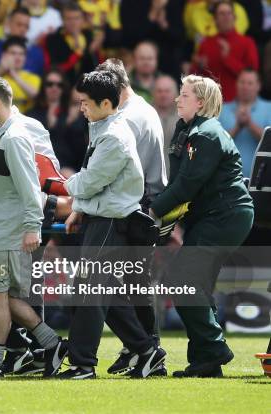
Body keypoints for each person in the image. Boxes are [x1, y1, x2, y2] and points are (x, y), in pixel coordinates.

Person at [61, 71, 165, 380]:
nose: (81, 108)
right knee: (100, 292)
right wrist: (79, 205)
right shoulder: (102, 126)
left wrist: (59, 184)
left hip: (111, 221)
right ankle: (147, 350)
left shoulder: (114, 136)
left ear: (106, 103)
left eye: (85, 103)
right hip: (105, 218)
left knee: (88, 292)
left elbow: (90, 180)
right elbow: (90, 178)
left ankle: (83, 364)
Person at [149, 74, 254, 378]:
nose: (178, 99)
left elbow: (186, 185)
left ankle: (214, 346)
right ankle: (205, 362)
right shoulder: (192, 131)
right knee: (196, 283)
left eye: (184, 95)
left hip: (224, 216)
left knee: (183, 279)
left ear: (201, 102)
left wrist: (152, 212)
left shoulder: (205, 134)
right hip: (218, 216)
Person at [0, 77, 69, 379]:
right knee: (3, 297)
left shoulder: (14, 139)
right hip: (1, 230)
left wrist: (32, 227)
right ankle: (51, 345)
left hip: (9, 234)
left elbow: (28, 189)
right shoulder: (2, 136)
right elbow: (6, 187)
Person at [95, 58, 167, 376]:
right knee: (134, 283)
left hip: (131, 206)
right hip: (146, 203)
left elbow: (113, 170)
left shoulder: (127, 119)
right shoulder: (144, 108)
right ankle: (139, 348)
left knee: (112, 281)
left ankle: (146, 349)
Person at [190, 0, 259, 102]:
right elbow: (193, 78)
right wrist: (198, 66)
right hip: (211, 103)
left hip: (237, 104)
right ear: (215, 19)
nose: (226, 17)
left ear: (234, 17)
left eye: (229, 13)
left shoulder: (247, 43)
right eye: (221, 14)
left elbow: (252, 76)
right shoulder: (206, 43)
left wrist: (228, 58)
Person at [218, 69, 271, 178]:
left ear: (258, 86)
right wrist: (237, 127)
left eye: (250, 83)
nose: (245, 87)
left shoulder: (269, 108)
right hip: (227, 180)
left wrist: (249, 124)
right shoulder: (221, 110)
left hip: (260, 181)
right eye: (242, 82)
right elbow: (215, 146)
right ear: (236, 84)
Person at [0, 7, 45, 77]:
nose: (23, 29)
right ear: (8, 23)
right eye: (19, 24)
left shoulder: (36, 54)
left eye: (26, 26)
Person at [0, 36, 41, 113]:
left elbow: (35, 94)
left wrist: (14, 74)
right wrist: (0, 70)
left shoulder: (33, 78)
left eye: (21, 54)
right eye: (13, 53)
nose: (18, 57)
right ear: (4, 55)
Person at [152, 75, 180, 172]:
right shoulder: (144, 116)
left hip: (176, 177)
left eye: (167, 91)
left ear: (176, 93)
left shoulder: (185, 118)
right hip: (149, 178)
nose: (163, 95)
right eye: (159, 91)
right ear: (153, 93)